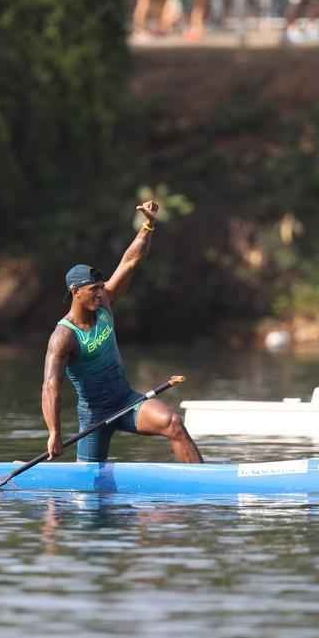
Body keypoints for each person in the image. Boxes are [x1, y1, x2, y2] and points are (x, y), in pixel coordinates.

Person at [42, 199, 203, 464]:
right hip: (95, 415)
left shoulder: (104, 303)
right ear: (75, 292)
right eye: (93, 289)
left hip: (126, 401)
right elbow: (50, 387)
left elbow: (130, 261)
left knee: (173, 423)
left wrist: (148, 225)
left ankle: (204, 484)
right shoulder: (64, 336)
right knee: (89, 494)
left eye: (100, 287)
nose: (100, 292)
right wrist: (54, 433)